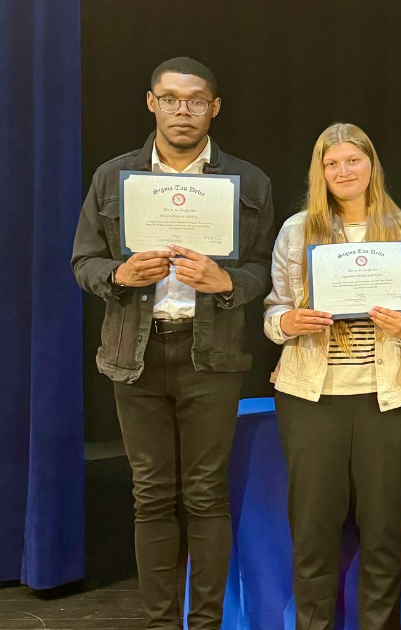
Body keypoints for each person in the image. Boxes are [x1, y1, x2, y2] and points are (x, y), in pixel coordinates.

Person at [71, 57, 274, 630]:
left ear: (214, 108)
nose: (182, 110)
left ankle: (204, 623)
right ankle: (162, 623)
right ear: (151, 103)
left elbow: (266, 269)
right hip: (134, 355)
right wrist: (118, 276)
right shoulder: (113, 178)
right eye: (170, 98)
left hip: (211, 353)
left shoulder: (249, 181)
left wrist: (230, 281)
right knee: (151, 495)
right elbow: (83, 261)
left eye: (195, 100)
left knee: (206, 495)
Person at [262, 123, 401, 630]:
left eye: (352, 161)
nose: (343, 171)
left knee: (383, 533)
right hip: (312, 398)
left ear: (371, 165)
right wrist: (288, 323)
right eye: (331, 164)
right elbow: (274, 312)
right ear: (320, 172)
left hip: (390, 395)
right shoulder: (297, 230)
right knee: (313, 533)